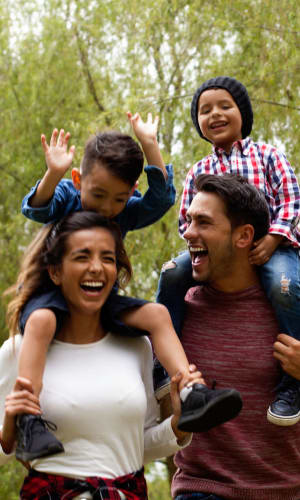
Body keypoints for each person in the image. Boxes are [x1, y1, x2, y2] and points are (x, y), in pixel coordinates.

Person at [17, 114, 242, 461]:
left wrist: (150, 145)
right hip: (51, 298)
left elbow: (161, 200)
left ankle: (191, 391)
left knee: (156, 313)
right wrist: (54, 173)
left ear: (131, 191)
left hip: (102, 300)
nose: (107, 209)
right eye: (99, 195)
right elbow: (36, 209)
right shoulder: (68, 194)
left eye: (119, 200)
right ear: (79, 180)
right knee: (42, 321)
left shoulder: (123, 211)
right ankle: (28, 419)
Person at [0, 211, 205, 499]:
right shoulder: (21, 349)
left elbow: (139, 445)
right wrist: (10, 423)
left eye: (108, 258)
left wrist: (178, 426)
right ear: (55, 271)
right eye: (82, 257)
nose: (96, 267)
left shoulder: (137, 348)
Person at [156, 76, 300, 426]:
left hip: (272, 246)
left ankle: (293, 379)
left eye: (224, 106)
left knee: (285, 285)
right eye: (205, 110)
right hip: (214, 253)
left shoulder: (267, 155)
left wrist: (273, 238)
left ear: (242, 114)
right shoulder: (199, 171)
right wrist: (197, 242)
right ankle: (160, 363)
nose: (215, 114)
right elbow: (185, 223)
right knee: (171, 273)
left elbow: (291, 200)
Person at [172, 174, 300, 500]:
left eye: (203, 222)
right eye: (189, 220)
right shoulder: (175, 314)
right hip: (202, 489)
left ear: (243, 236)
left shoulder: (291, 307)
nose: (188, 232)